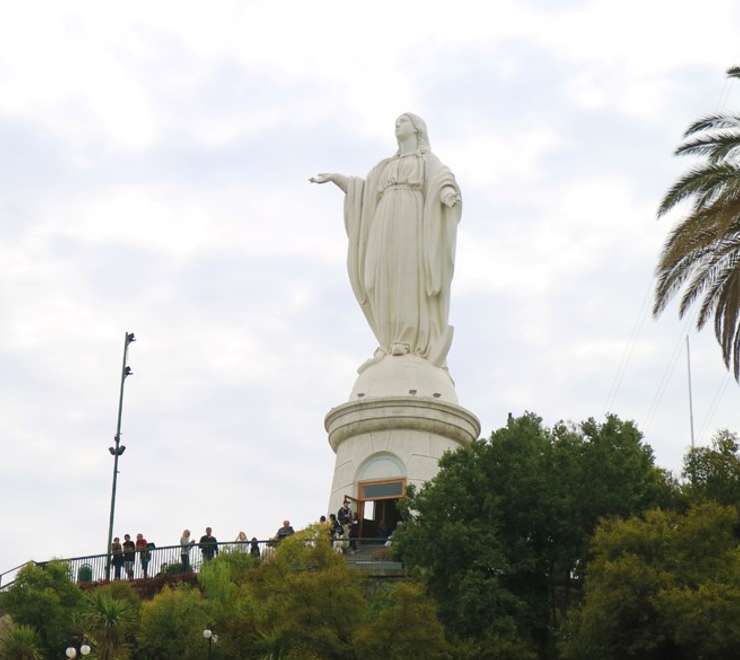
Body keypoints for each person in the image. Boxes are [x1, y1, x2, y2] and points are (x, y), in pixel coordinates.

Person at [310, 113, 462, 369]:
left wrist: (447, 195)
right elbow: (365, 191)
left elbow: (442, 180)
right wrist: (337, 178)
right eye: (396, 122)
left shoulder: (426, 161)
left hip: (410, 219)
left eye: (403, 121)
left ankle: (406, 341)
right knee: (376, 278)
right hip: (384, 221)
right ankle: (388, 341)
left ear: (416, 130)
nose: (397, 124)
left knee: (406, 276)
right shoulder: (385, 167)